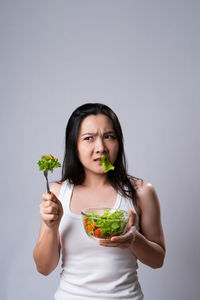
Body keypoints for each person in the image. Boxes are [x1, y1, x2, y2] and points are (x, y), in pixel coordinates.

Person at [33, 103, 165, 300]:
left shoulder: (142, 192)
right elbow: (44, 268)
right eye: (89, 138)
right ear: (74, 146)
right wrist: (51, 225)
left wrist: (134, 239)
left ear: (119, 142)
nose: (101, 148)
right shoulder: (57, 193)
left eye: (109, 136)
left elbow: (158, 260)